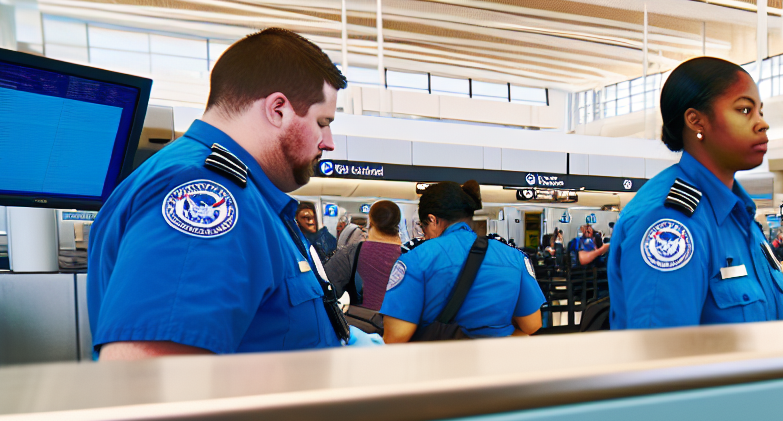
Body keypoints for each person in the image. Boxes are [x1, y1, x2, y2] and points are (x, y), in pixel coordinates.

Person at [86, 27, 367, 358]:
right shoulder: (207, 194)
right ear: (278, 110)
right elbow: (149, 378)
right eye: (322, 122)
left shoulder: (245, 195)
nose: (329, 142)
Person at [608, 56, 783, 329]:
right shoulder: (671, 220)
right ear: (696, 121)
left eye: (760, 112)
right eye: (744, 110)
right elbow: (664, 357)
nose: (762, 124)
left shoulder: (738, 216)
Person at [381, 181, 544, 341]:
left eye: (423, 227)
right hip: (499, 361)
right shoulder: (514, 256)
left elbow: (396, 336)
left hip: (438, 362)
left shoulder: (415, 258)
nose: (425, 236)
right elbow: (532, 324)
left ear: (432, 220)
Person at [326, 199, 405, 312]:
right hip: (398, 325)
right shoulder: (410, 257)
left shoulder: (349, 253)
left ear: (370, 222)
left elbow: (328, 291)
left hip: (360, 325)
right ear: (397, 224)